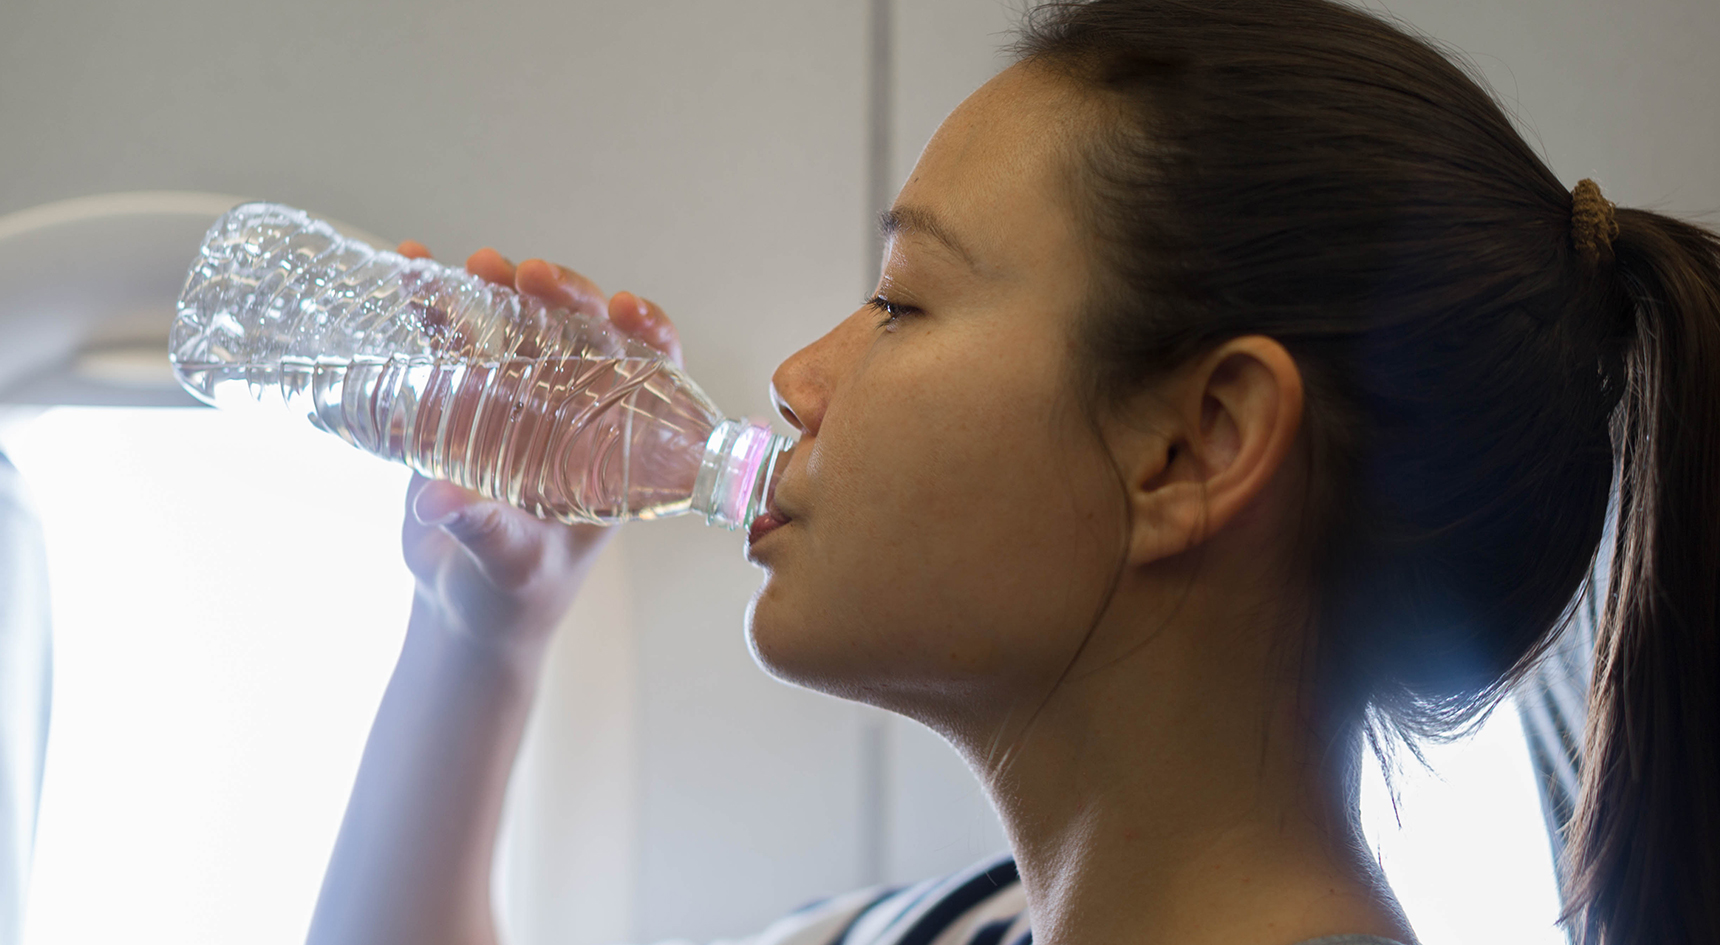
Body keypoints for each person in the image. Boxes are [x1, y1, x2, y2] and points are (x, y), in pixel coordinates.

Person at [307, 1, 1720, 944]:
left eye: (903, 302)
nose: (799, 377)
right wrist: (480, 637)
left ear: (1198, 444)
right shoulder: (936, 927)